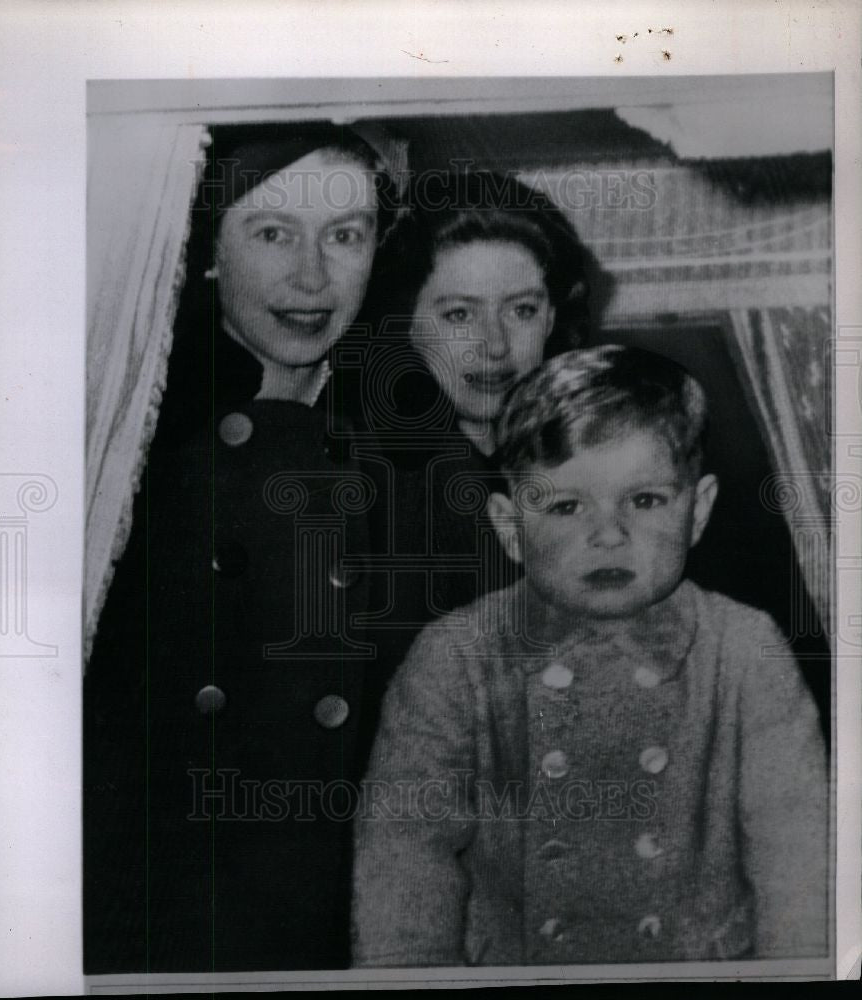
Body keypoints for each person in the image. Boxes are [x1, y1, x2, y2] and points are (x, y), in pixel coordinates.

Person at [352, 345, 827, 966]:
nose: (609, 533)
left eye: (646, 500)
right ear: (509, 527)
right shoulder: (455, 659)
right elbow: (404, 867)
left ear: (699, 510)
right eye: (567, 507)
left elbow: (800, 867)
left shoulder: (744, 649)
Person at [84, 123, 397, 973]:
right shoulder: (126, 444)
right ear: (210, 252)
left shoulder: (401, 442)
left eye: (344, 236)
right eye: (271, 234)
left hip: (327, 918)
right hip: (163, 916)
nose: (310, 278)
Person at [354, 172, 595, 653]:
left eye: (521, 310)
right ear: (405, 324)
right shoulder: (370, 486)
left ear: (551, 317)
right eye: (460, 315)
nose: (496, 346)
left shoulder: (596, 458)